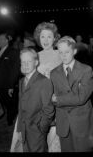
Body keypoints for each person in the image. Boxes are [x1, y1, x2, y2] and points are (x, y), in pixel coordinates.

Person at [50, 36, 93, 152]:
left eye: (67, 52)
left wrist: (58, 99)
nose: (63, 55)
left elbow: (81, 98)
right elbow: (51, 97)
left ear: (74, 51)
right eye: (60, 52)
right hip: (63, 122)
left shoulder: (86, 70)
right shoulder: (54, 73)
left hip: (82, 122)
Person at [11, 48, 54, 152]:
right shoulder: (22, 81)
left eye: (29, 61)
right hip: (24, 130)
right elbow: (21, 107)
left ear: (36, 62)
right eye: (23, 62)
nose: (25, 64)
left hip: (37, 132)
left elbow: (49, 110)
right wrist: (20, 129)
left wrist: (41, 128)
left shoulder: (44, 82)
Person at [33, 21, 62, 152]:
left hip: (56, 101)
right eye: (42, 36)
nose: (45, 40)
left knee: (55, 140)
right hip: (38, 102)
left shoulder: (60, 55)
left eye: (49, 36)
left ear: (55, 38)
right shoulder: (35, 56)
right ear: (38, 38)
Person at [0, 32, 20, 125]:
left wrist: (11, 85)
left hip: (8, 84)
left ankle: (10, 119)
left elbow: (15, 70)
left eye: (1, 39)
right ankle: (8, 115)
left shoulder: (14, 51)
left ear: (7, 40)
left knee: (10, 103)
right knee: (3, 101)